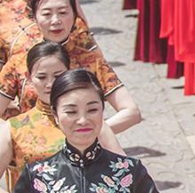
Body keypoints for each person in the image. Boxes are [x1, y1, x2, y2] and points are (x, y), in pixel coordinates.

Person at [0, 0, 140, 134]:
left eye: (63, 12)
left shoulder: (91, 61)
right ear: (33, 17)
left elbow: (131, 112)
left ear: (74, 15)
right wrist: (16, 136)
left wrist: (90, 135)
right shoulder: (20, 62)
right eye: (47, 14)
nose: (55, 20)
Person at [0, 42, 125, 188]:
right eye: (42, 77)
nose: (50, 84)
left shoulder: (89, 122)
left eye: (57, 75)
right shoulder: (15, 129)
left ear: (69, 72)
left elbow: (123, 173)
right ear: (29, 77)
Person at [14, 69, 158, 192]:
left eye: (92, 110)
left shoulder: (130, 171)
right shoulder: (36, 176)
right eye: (71, 112)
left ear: (102, 110)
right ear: (56, 115)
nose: (82, 120)